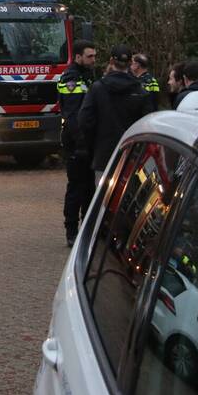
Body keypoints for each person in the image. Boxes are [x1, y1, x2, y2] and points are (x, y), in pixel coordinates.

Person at [79, 45, 156, 183]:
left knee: (103, 200)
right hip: (132, 156)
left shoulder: (97, 88)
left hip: (104, 155)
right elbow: (148, 124)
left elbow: (85, 121)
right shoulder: (140, 91)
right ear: (130, 63)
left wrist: (94, 144)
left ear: (111, 61)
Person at [58, 39, 97, 247]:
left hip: (87, 143)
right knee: (76, 187)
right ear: (78, 57)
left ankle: (87, 229)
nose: (93, 60)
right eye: (89, 56)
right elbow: (74, 116)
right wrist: (81, 144)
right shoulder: (71, 78)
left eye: (94, 56)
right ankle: (71, 231)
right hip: (76, 143)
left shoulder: (87, 75)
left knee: (89, 187)